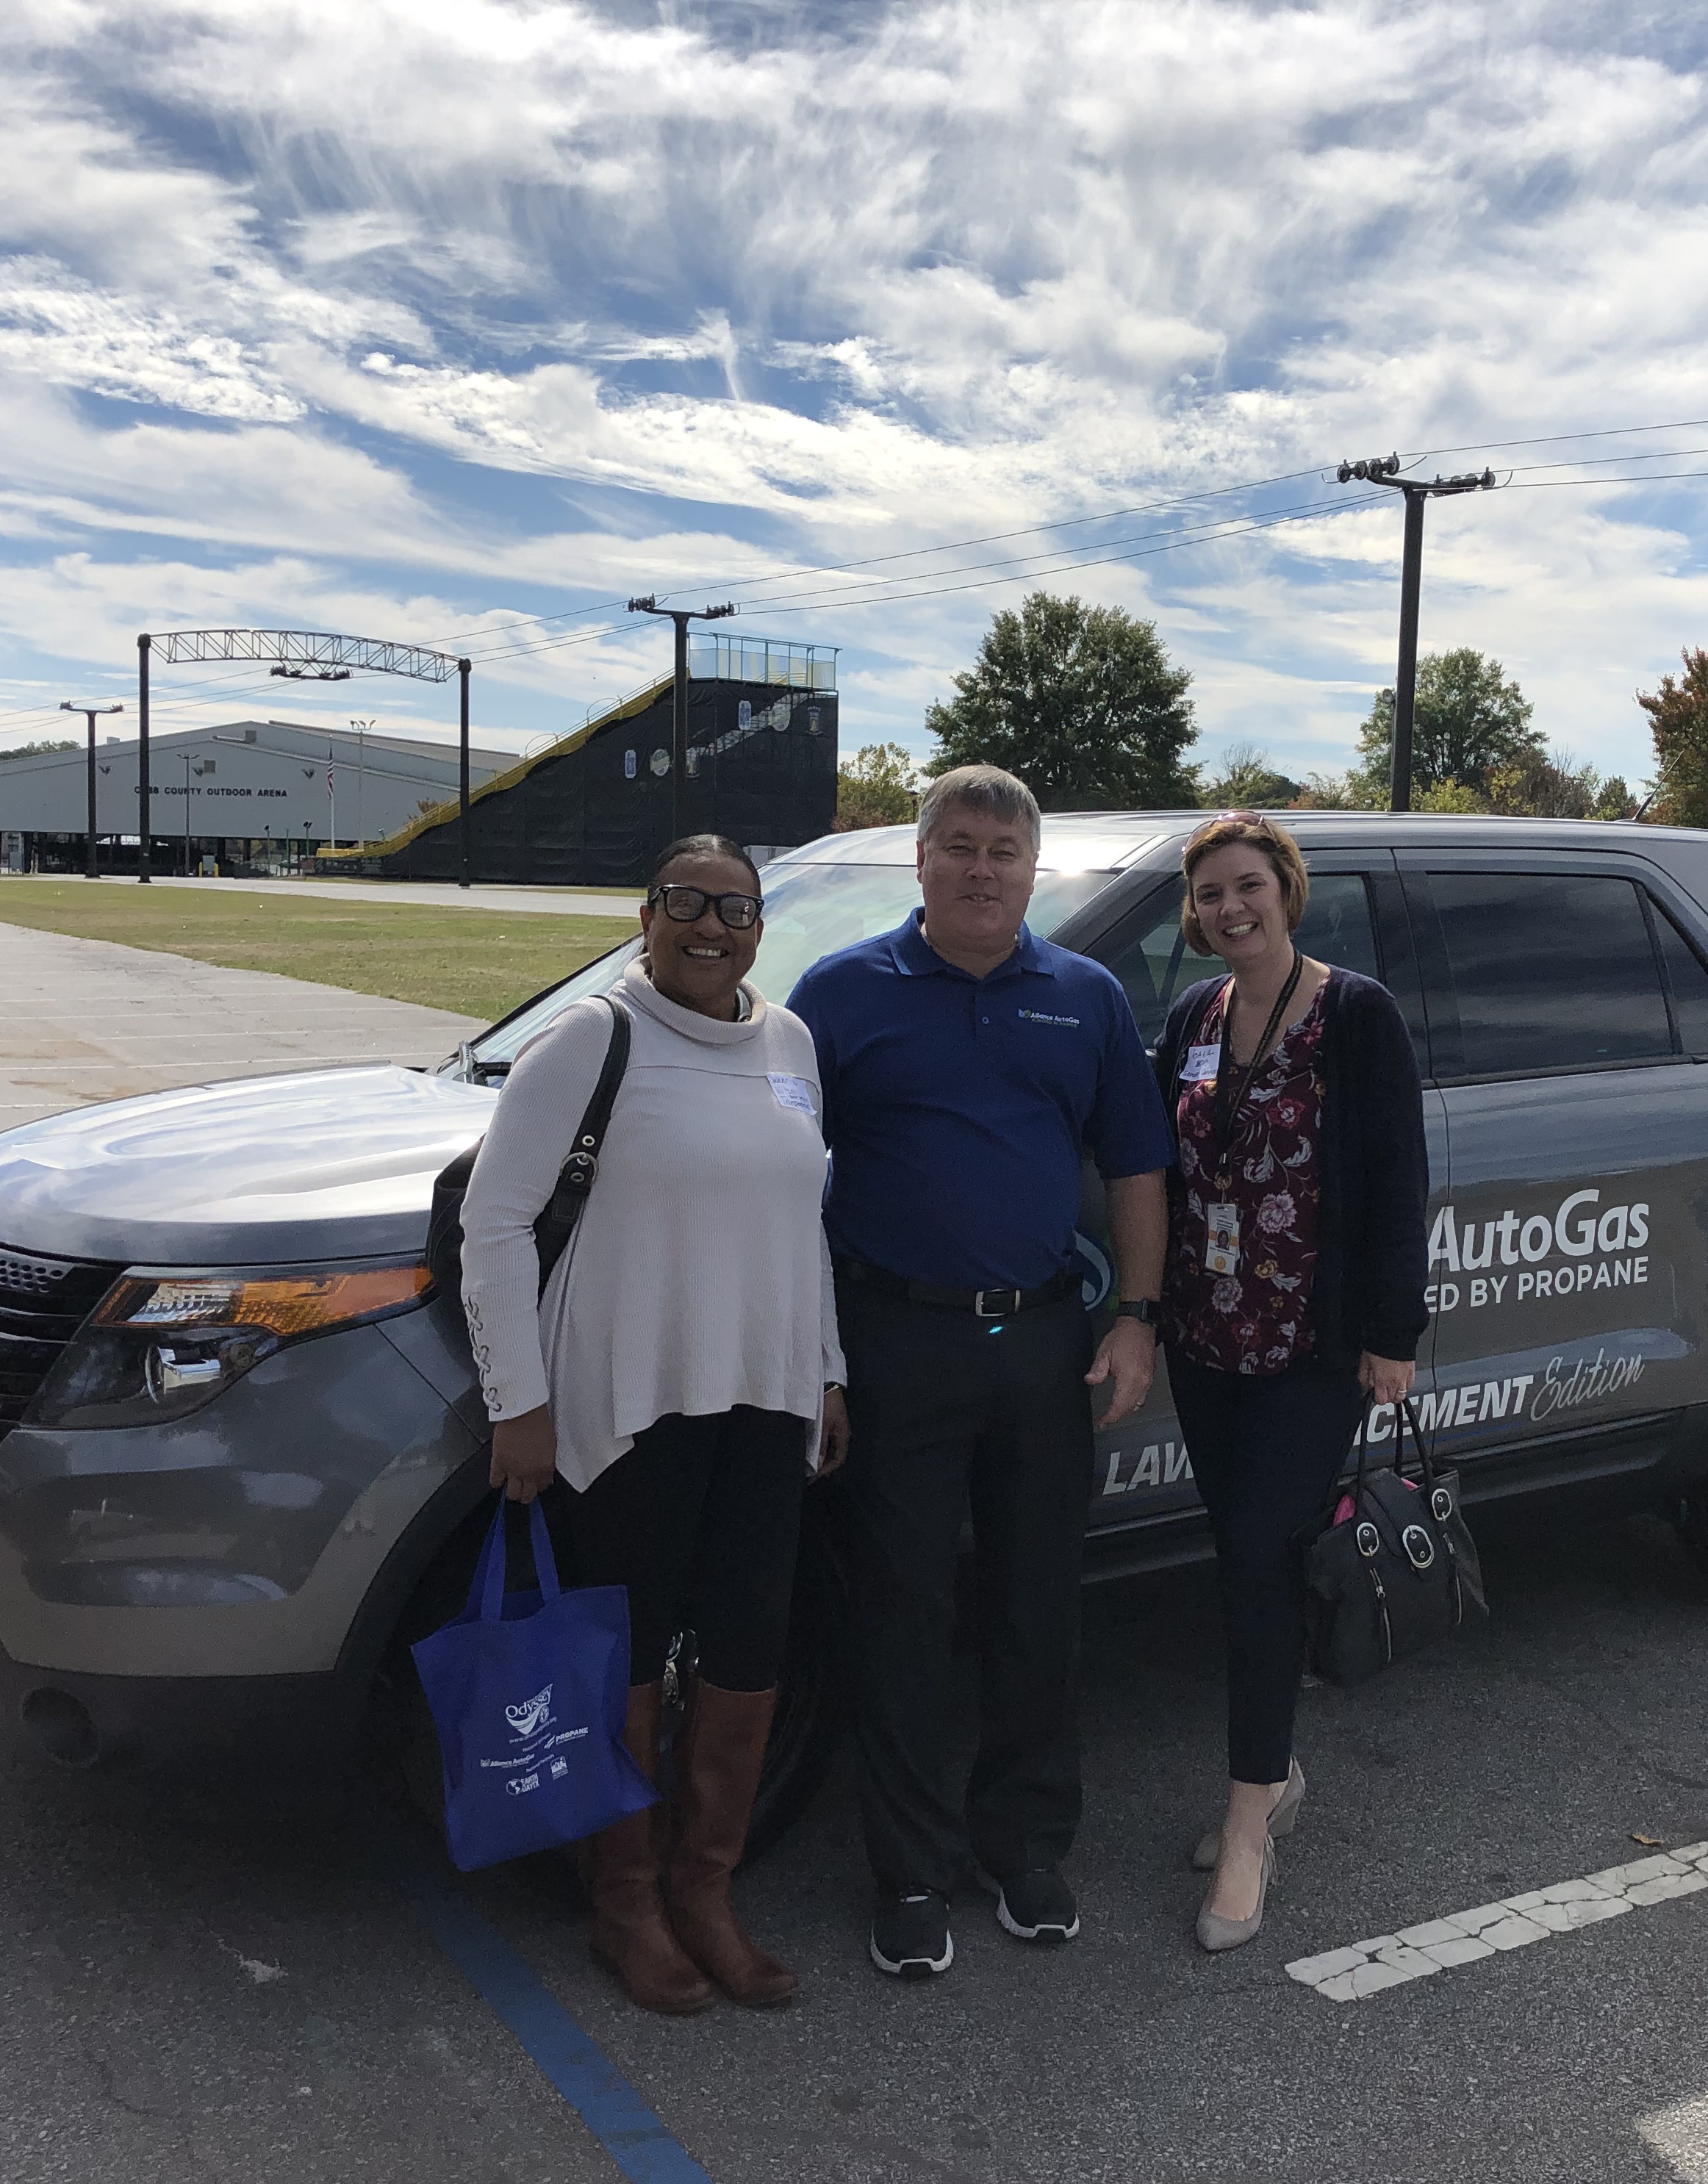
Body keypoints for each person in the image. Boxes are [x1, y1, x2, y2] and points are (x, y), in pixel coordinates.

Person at [789, 764, 1173, 1980]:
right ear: (920, 857)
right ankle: (907, 1871)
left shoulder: (1086, 995)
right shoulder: (839, 996)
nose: (981, 868)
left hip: (1048, 1340)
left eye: (1005, 851)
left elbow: (1135, 1170)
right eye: (959, 844)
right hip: (894, 1338)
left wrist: (1140, 1320)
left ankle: (1025, 1848)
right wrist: (820, 1359)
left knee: (1036, 1606)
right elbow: (784, 1183)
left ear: (1032, 868)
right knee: (903, 1612)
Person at [457, 833, 849, 2016]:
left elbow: (804, 1224)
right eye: (687, 902)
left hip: (767, 1400)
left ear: (760, 926)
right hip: (626, 1407)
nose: (712, 926)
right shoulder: (595, 1037)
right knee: (620, 1662)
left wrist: (827, 1369)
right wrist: (517, 1403)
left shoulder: (791, 1043)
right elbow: (493, 1225)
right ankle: (624, 1902)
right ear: (646, 915)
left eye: (735, 907)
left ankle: (706, 1891)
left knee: (746, 1650)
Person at [1152, 811, 1429, 1952]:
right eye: (1211, 892)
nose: (1232, 908)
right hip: (1206, 1341)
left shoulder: (1356, 1014)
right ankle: (1276, 1775)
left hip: (1308, 1352)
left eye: (1249, 885)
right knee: (1239, 1560)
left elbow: (1397, 1179)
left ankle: (1249, 1825)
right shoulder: (1193, 1018)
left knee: (1264, 1566)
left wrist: (1391, 1333)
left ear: (1288, 889)